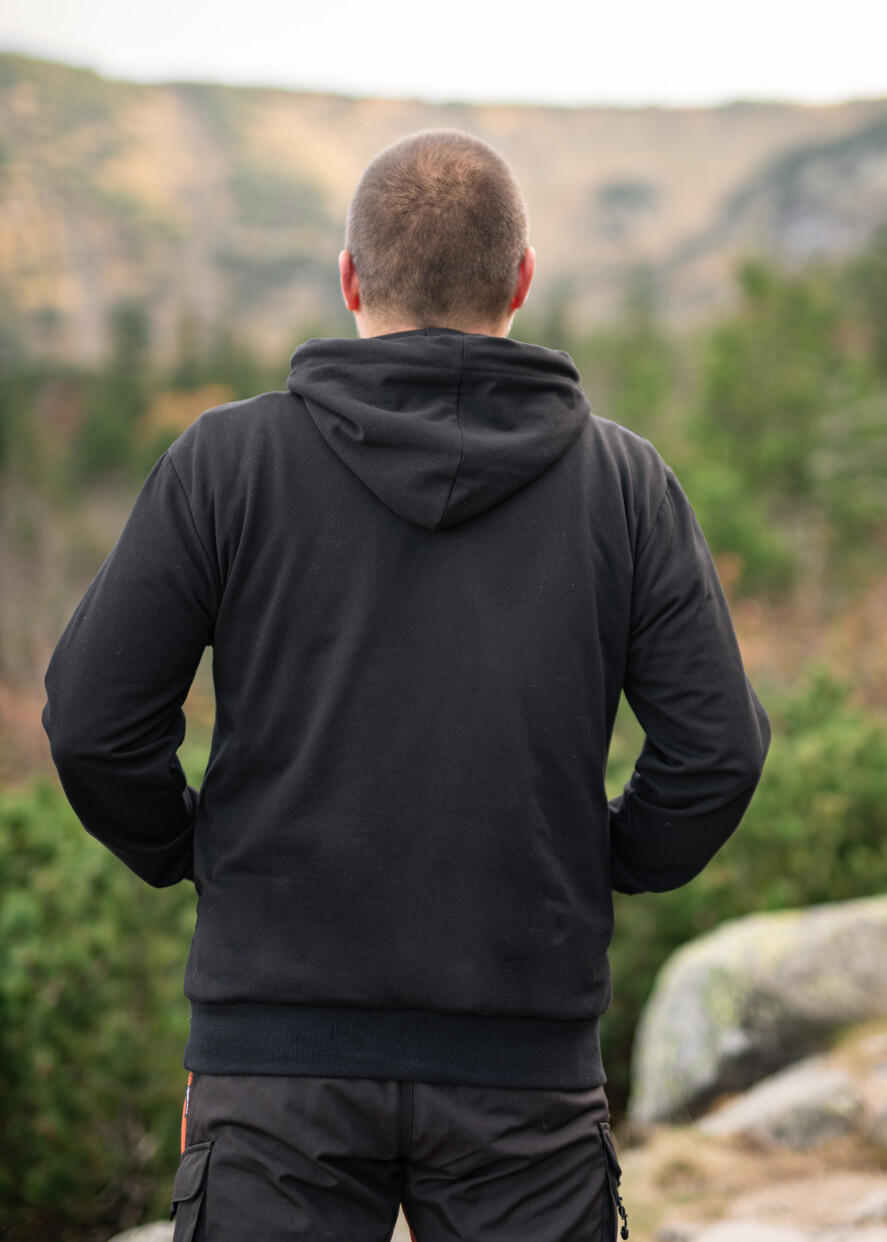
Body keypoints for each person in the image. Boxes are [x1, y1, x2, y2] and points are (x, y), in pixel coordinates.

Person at [43, 129, 770, 1242]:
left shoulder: (226, 464)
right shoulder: (623, 485)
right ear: (521, 280)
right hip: (524, 1076)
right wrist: (603, 860)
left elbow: (95, 726)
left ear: (349, 277)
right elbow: (716, 752)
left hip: (273, 1072)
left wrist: (189, 848)